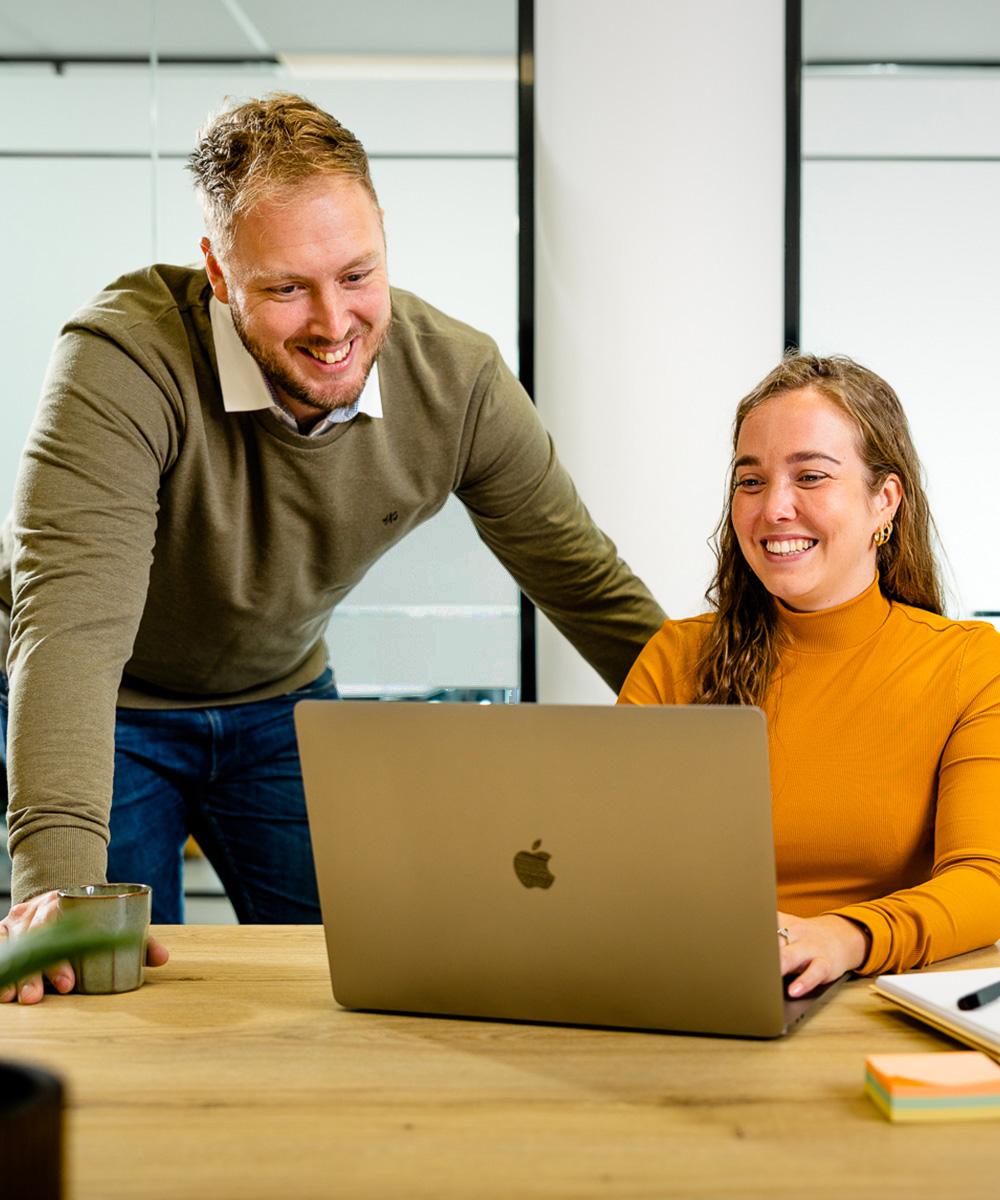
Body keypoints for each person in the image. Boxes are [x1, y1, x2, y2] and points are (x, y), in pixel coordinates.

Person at [0, 93, 665, 1002]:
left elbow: (587, 586)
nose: (333, 323)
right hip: (110, 709)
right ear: (219, 274)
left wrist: (745, 753)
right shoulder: (124, 359)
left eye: (357, 274)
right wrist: (57, 887)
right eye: (285, 288)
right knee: (94, 977)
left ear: (384, 236)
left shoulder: (457, 382)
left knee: (363, 974)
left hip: (280, 699)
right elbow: (70, 631)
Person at [618, 353, 1000, 997]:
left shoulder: (966, 663)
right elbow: (606, 858)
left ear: (885, 500)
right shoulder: (674, 658)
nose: (774, 509)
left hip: (868, 996)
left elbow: (985, 881)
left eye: (811, 477)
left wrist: (843, 937)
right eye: (751, 481)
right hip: (686, 985)